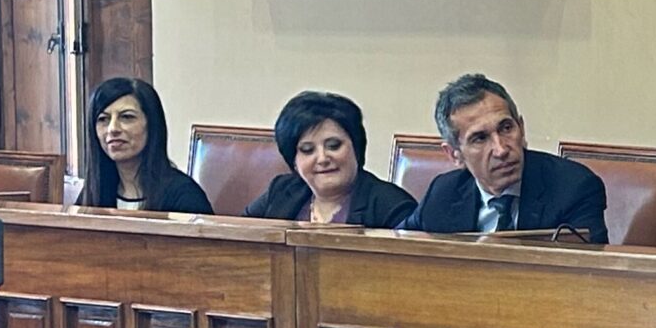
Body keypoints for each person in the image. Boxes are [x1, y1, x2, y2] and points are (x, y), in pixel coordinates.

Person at [413, 73, 608, 241]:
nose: (501, 150)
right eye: (480, 138)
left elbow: (589, 269)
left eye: (506, 128)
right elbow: (401, 248)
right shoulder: (443, 194)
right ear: (454, 154)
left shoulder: (573, 187)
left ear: (521, 128)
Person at [242, 91, 418, 228]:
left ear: (356, 147)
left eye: (334, 146)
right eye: (307, 150)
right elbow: (241, 240)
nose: (322, 158)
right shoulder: (281, 191)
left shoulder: (392, 206)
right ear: (294, 161)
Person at [83, 77, 213, 214]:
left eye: (127, 117)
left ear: (152, 125)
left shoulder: (186, 196)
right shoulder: (95, 191)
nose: (113, 129)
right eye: (103, 119)